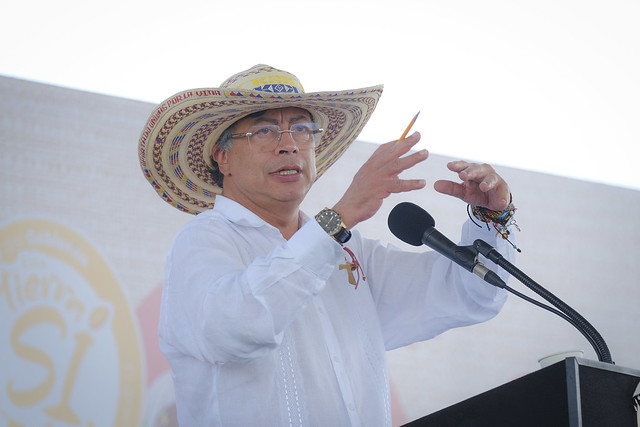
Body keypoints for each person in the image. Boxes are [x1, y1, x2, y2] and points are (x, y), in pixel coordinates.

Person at [138, 64, 517, 426]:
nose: (289, 145)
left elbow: (470, 295)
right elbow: (235, 329)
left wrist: (491, 218)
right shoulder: (203, 240)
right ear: (223, 158)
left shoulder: (350, 252)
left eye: (302, 129)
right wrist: (339, 218)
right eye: (264, 131)